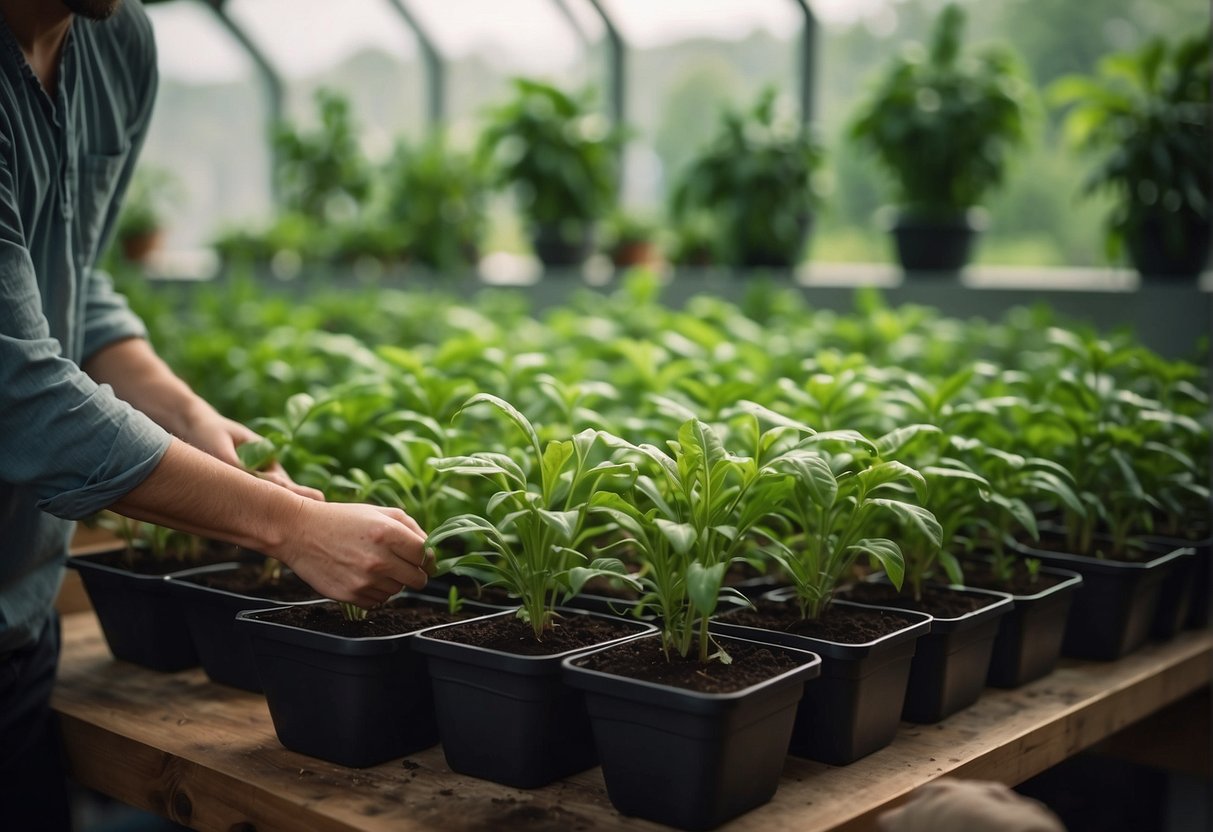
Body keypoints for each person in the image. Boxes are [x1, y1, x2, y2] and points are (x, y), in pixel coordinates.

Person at [0, 1, 432, 828]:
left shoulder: (115, 40)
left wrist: (185, 410)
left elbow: (70, 283)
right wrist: (290, 527)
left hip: (22, 623)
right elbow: (17, 391)